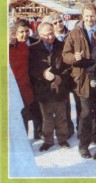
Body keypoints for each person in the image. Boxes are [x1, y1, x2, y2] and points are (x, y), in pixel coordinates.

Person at [62, 3, 96, 158]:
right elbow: (65, 55)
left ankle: (95, 137)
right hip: (83, 79)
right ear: (83, 15)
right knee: (86, 113)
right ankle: (84, 145)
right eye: (87, 16)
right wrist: (74, 58)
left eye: (92, 15)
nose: (90, 19)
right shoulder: (75, 33)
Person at [28, 22, 70, 151]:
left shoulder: (62, 46)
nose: (50, 37)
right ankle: (48, 140)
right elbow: (31, 69)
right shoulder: (33, 49)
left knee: (61, 116)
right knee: (46, 118)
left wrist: (60, 78)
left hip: (59, 88)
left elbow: (68, 67)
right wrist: (43, 74)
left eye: (51, 33)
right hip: (43, 89)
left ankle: (62, 139)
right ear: (40, 35)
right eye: (46, 35)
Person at [9, 20, 42, 139]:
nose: (24, 34)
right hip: (15, 86)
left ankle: (37, 135)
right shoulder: (7, 48)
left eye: (27, 31)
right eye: (20, 32)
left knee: (32, 112)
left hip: (30, 84)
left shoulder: (26, 45)